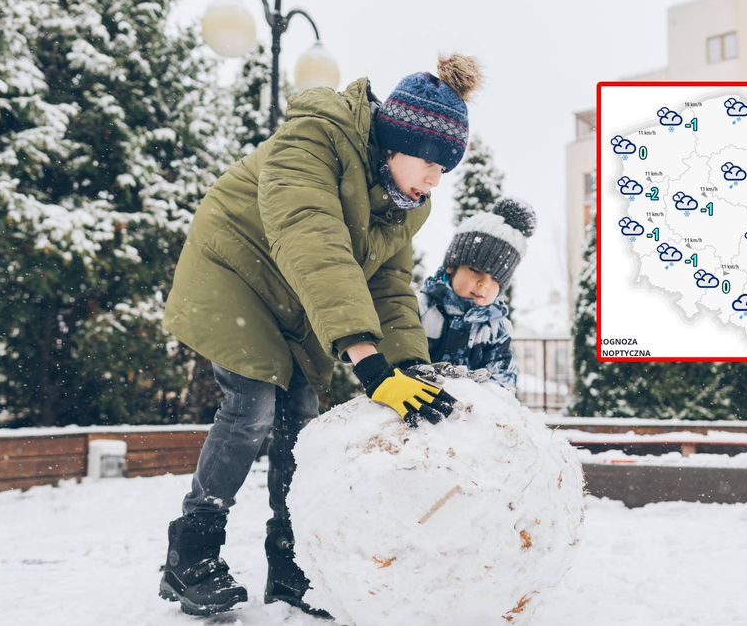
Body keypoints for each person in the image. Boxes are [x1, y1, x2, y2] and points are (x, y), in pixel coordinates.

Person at [157, 54, 482, 617]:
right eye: (429, 162)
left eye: (444, 169)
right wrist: (369, 363)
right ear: (392, 141)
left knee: (300, 426)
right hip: (236, 272)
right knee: (252, 407)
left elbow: (388, 284)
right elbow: (316, 243)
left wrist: (410, 366)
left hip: (299, 297)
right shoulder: (311, 142)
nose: (434, 179)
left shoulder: (406, 204)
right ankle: (190, 555)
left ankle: (291, 566)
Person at [417, 198, 536, 394]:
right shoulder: (422, 308)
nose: (484, 284)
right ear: (451, 267)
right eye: (475, 270)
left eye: (495, 279)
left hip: (471, 414)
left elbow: (503, 383)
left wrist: (479, 397)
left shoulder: (496, 328)